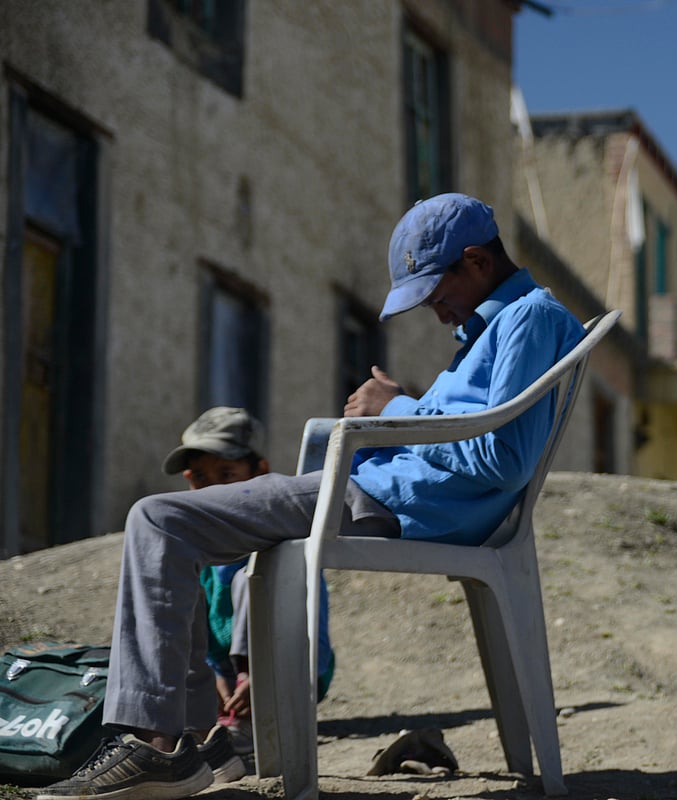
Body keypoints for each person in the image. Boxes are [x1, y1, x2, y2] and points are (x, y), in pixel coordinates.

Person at [38, 193, 586, 800]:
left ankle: (158, 745)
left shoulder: (529, 318)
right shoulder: (493, 326)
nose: (436, 311)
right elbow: (469, 435)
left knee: (159, 520)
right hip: (383, 492)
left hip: (393, 504)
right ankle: (190, 740)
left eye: (435, 293)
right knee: (175, 526)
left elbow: (503, 459)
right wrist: (390, 421)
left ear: (477, 261)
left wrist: (395, 410)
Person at [161, 406, 337, 756]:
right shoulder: (203, 555)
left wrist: (261, 680)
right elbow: (204, 641)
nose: (212, 490)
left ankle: (255, 715)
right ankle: (219, 716)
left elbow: (308, 632)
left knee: (249, 579)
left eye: (226, 475)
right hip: (227, 680)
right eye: (199, 477)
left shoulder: (285, 543)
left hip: (290, 669)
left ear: (261, 472)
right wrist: (216, 679)